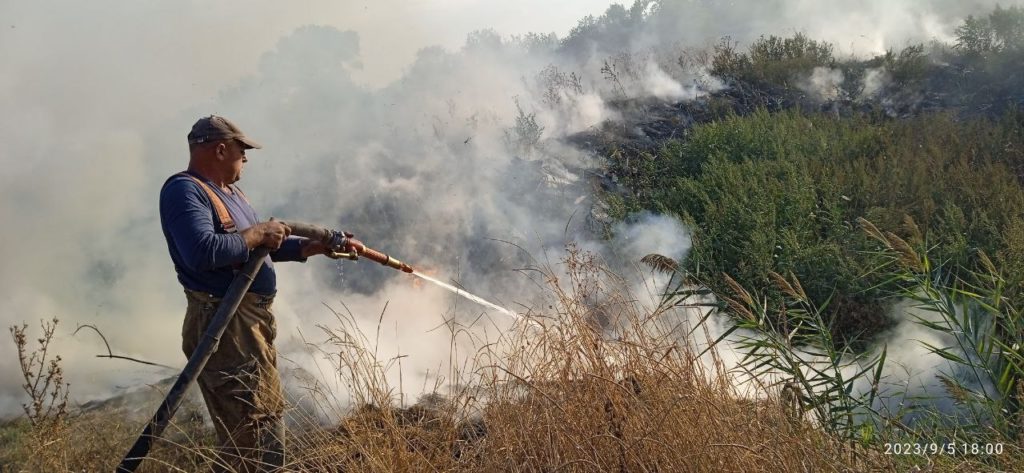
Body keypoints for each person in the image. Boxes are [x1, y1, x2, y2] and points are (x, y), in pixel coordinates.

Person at [159, 115, 356, 472]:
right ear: (220, 149)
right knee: (257, 434)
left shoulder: (231, 193)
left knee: (249, 436)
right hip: (225, 324)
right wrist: (258, 232)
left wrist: (309, 246)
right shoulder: (184, 190)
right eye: (242, 149)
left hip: (247, 323)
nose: (246, 158)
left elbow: (254, 251)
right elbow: (203, 252)